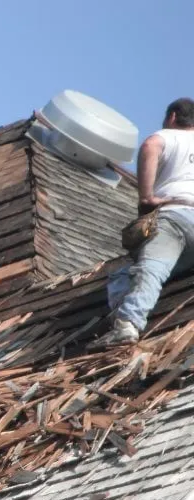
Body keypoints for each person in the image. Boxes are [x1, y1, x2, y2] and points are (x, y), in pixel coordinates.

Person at [93, 98, 194, 348]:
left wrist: (146, 197)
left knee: (150, 269)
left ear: (172, 117)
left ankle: (127, 324)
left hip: (175, 215)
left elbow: (150, 145)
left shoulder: (168, 136)